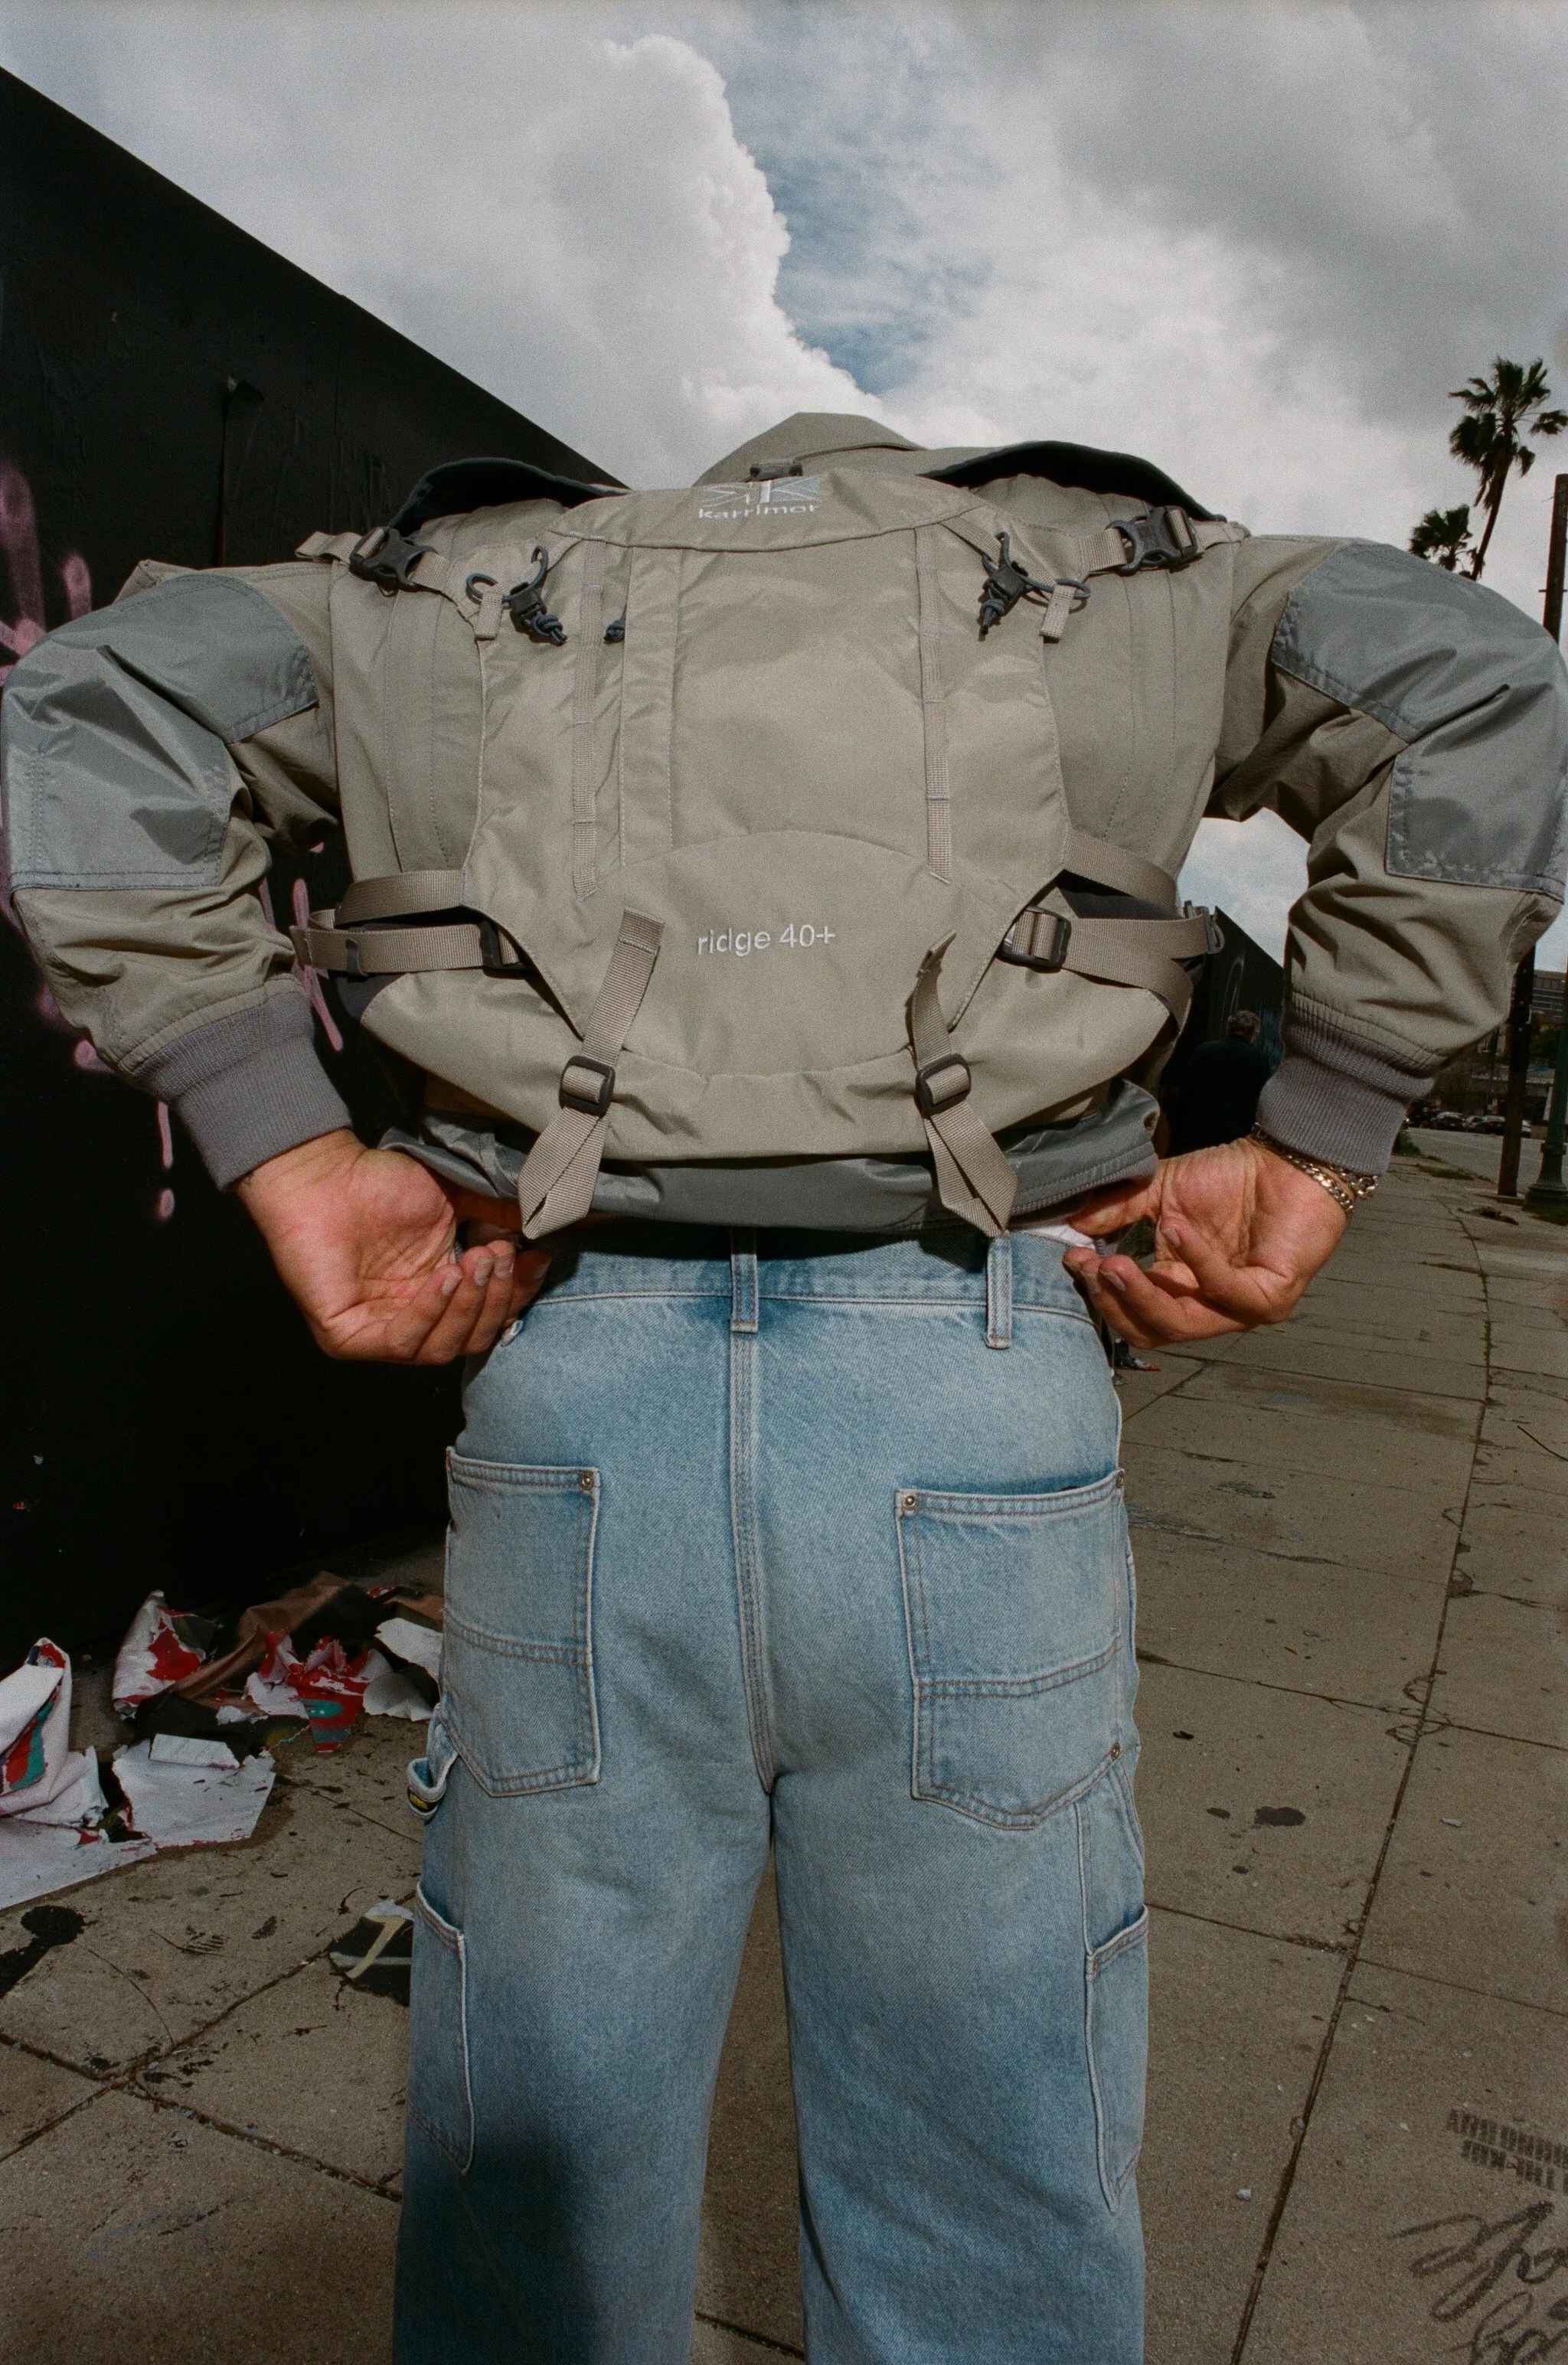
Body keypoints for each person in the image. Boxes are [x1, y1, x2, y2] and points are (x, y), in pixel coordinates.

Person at [4, 412, 1564, 2363]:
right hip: (969, 1385)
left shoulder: (425, 596)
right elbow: (1480, 682)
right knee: (983, 2167)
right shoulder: (1127, 579)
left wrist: (285, 1138)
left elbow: (80, 710)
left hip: (573, 1383)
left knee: (534, 2170)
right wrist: (1323, 1125)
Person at [1165, 1005, 1275, 1155]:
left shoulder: (1203, 1050)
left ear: (1228, 1029)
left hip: (1199, 1131)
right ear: (1253, 1034)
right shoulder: (1259, 1059)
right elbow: (1264, 1099)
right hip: (1236, 1135)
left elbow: (1186, 1090)